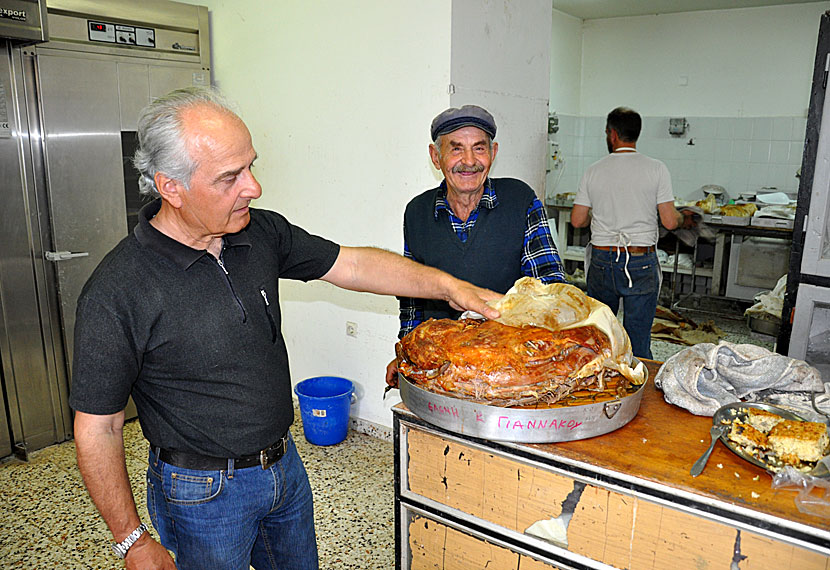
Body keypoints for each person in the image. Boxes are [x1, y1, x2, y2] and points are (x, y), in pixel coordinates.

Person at [69, 87, 502, 570]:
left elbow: (353, 265)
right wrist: (131, 540)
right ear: (171, 187)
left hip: (284, 468)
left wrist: (451, 288)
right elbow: (98, 427)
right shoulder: (118, 288)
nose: (253, 187)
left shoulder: (258, 232)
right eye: (230, 177)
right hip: (201, 495)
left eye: (251, 166)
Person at [385, 104, 567, 387]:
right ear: (436, 157)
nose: (469, 161)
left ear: (493, 153)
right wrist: (406, 350)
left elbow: (550, 290)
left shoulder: (520, 200)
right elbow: (411, 298)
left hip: (508, 364)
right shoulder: (417, 212)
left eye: (479, 148)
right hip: (440, 365)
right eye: (456, 149)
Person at [570, 106, 692, 360]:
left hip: (603, 262)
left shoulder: (594, 170)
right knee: (638, 338)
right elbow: (670, 222)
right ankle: (640, 392)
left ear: (612, 134)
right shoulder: (657, 168)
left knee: (600, 336)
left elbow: (577, 220)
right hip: (640, 262)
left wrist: (603, 214)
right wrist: (683, 217)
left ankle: (598, 387)